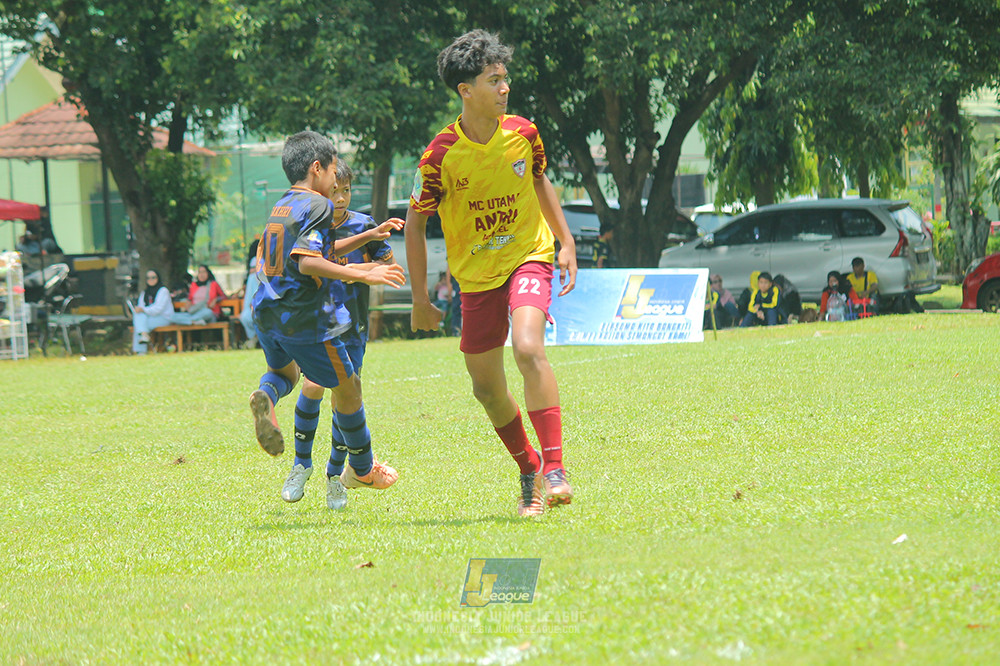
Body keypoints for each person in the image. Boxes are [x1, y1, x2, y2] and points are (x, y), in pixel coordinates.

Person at [405, 29, 578, 517]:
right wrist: (421, 297)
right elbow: (415, 223)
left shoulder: (523, 134)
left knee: (527, 346)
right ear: (465, 90)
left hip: (528, 254)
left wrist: (564, 241)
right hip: (476, 278)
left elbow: (541, 182)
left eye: (505, 78)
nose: (505, 88)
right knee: (485, 388)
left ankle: (555, 468)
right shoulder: (439, 155)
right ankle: (528, 469)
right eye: (494, 80)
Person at [248, 130, 406, 501]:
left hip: (266, 310)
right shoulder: (318, 205)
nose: (338, 180)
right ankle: (363, 468)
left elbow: (319, 249)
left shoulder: (284, 203)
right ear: (317, 168)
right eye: (334, 171)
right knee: (348, 386)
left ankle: (266, 400)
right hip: (302, 316)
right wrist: (364, 272)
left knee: (282, 374)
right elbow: (308, 262)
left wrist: (368, 237)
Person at [282, 160, 401, 511]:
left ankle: (335, 477)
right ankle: (301, 464)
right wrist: (351, 271)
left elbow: (388, 266)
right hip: (317, 323)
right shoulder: (310, 223)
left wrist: (356, 269)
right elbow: (312, 263)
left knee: (345, 398)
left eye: (347, 190)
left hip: (353, 325)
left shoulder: (365, 224)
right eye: (335, 191)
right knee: (312, 385)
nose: (342, 198)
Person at [131, 269, 175, 354]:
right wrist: (140, 310)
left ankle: (140, 352)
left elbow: (158, 309)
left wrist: (143, 310)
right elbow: (141, 306)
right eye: (148, 278)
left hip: (164, 318)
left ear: (158, 278)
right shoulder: (145, 292)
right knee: (139, 318)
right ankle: (144, 336)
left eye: (153, 277)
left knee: (139, 324)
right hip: (150, 317)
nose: (150, 280)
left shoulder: (163, 291)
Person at [238, 237, 261, 347]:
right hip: (251, 303)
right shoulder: (251, 279)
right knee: (246, 317)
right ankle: (254, 338)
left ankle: (256, 339)